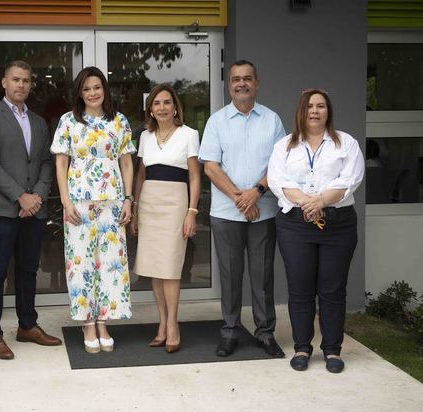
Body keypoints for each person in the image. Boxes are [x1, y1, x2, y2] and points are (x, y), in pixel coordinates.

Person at [267, 88, 364, 373]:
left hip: (338, 224)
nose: (315, 111)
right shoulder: (285, 146)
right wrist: (309, 205)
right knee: (300, 289)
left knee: (333, 290)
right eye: (310, 106)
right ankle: (302, 348)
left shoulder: (345, 143)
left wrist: (320, 201)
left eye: (321, 106)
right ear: (301, 111)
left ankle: (332, 350)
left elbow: (351, 179)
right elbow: (277, 181)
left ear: (328, 111)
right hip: (296, 225)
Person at [198, 60, 286, 358]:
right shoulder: (216, 121)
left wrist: (256, 193)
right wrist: (241, 198)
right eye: (236, 79)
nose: (241, 83)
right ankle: (230, 332)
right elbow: (210, 166)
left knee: (262, 277)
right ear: (229, 85)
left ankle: (265, 333)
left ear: (256, 83)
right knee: (230, 276)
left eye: (247, 78)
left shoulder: (272, 120)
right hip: (226, 213)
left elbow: (280, 165)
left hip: (264, 212)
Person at [0, 60, 62, 360]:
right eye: (15, 79)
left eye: (26, 80)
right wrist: (20, 197)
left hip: (34, 210)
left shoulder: (39, 122)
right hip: (3, 211)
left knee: (28, 270)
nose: (21, 85)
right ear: (4, 82)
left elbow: (47, 162)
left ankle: (27, 325)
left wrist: (36, 196)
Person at [51, 66, 135, 353]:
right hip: (78, 202)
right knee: (81, 263)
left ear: (104, 90)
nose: (92, 93)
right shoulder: (68, 121)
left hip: (112, 201)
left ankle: (104, 321)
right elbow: (61, 163)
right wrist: (65, 201)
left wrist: (128, 199)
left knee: (111, 263)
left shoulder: (119, 121)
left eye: (97, 87)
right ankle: (87, 322)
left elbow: (126, 162)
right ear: (79, 93)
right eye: (86, 89)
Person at [130, 84, 200, 353]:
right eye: (156, 103)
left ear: (175, 107)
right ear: (151, 108)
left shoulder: (189, 134)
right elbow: (140, 175)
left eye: (166, 102)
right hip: (149, 203)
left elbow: (194, 176)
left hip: (175, 203)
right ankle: (161, 323)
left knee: (170, 268)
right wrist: (135, 209)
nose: (161, 107)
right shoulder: (145, 136)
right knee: (154, 269)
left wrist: (192, 211)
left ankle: (173, 325)